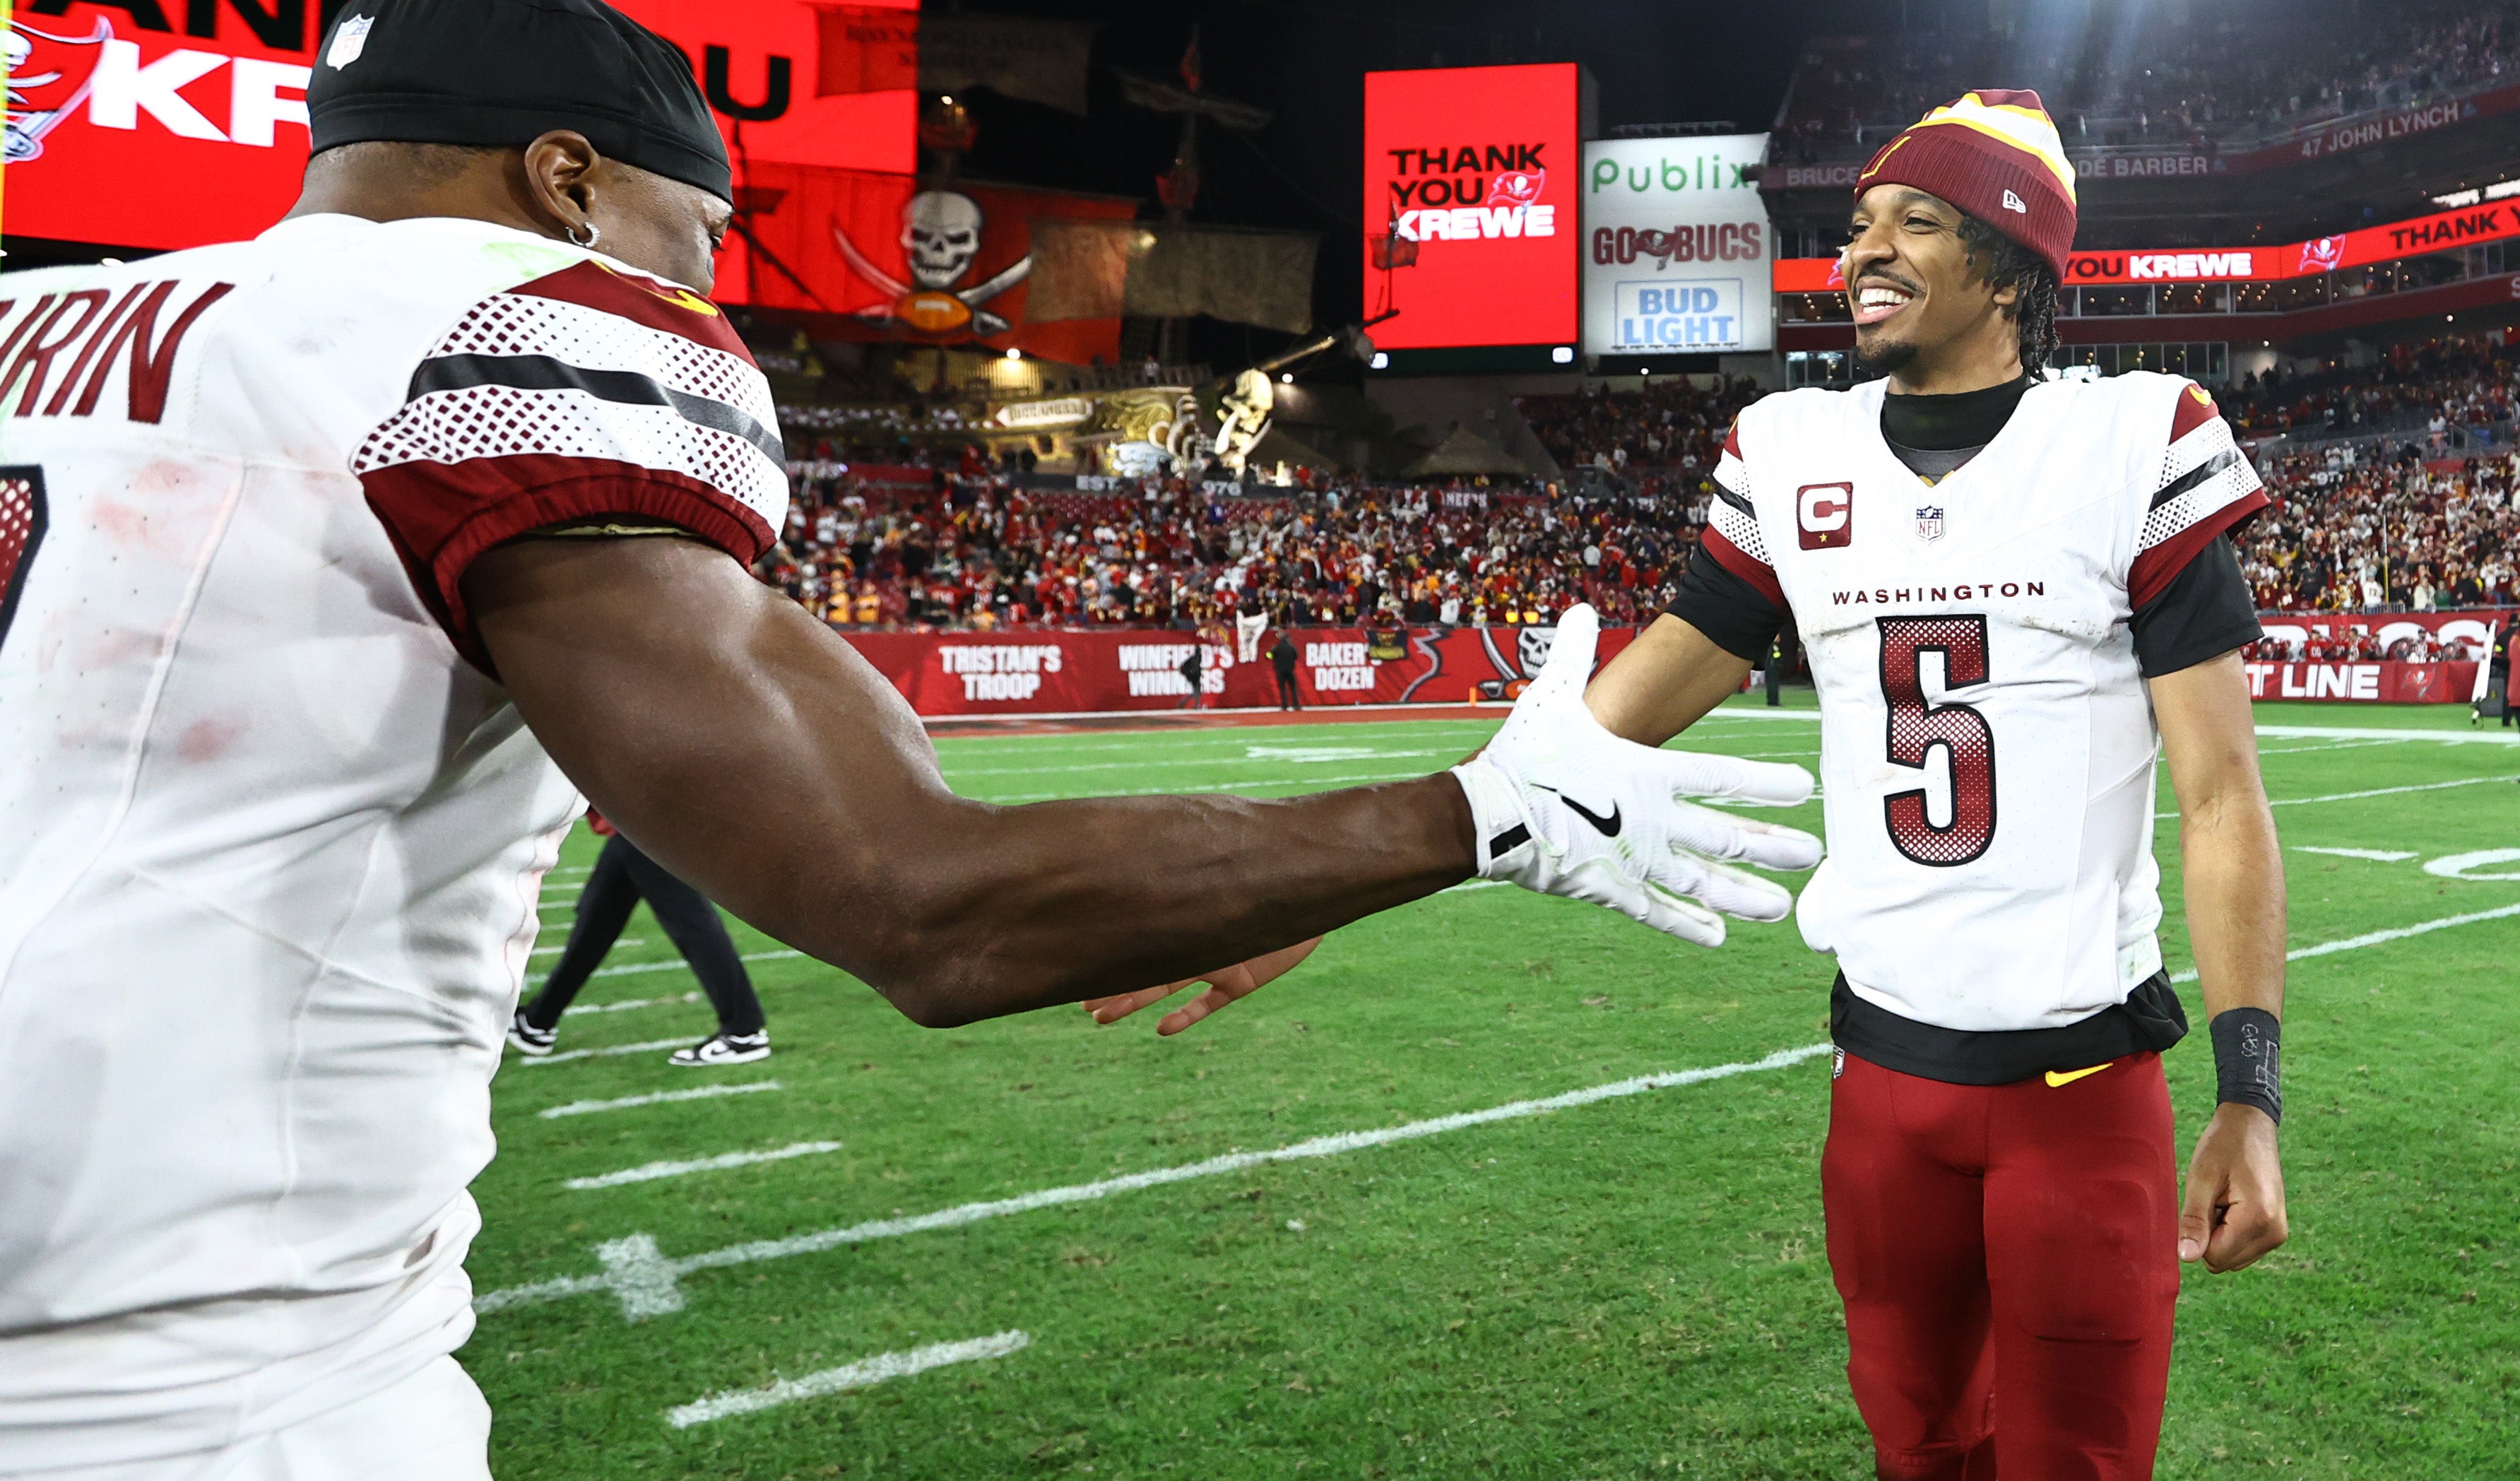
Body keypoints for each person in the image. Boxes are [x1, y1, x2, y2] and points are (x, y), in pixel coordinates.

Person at [0, 1, 1820, 1472]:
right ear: (568, 178)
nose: (705, 267)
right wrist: (1484, 812)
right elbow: (921, 902)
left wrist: (1281, 868)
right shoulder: (498, 330)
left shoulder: (44, 325)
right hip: (190, 1375)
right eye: (699, 225)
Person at [1120, 90, 2290, 1481]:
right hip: (1878, 1088)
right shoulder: (1792, 451)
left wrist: (2248, 1092)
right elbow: (1572, 753)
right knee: (1916, 1448)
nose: (1867, 248)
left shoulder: (2131, 437)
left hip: (2081, 1088)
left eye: (1918, 219)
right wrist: (1326, 889)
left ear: (2012, 259)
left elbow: (2218, 794)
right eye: (1856, 224)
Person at [507, 813, 769, 1066]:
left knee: (691, 922)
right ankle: (538, 1021)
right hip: (634, 822)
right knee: (596, 919)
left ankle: (743, 1031)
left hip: (646, 821)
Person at [1272, 630, 1303, 709]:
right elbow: (1296, 657)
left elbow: (1269, 657)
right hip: (1290, 670)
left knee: (1282, 689)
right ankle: (1296, 705)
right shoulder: (1291, 647)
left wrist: (1271, 651)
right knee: (1293, 688)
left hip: (1280, 671)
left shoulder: (1277, 648)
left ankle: (1284, 705)